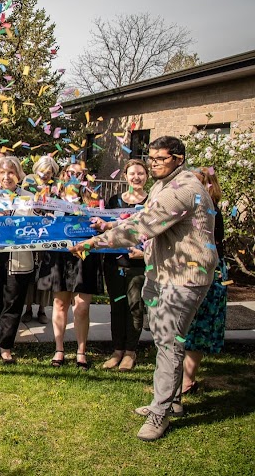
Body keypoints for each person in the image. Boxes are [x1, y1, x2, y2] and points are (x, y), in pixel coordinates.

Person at [71, 136, 217, 441]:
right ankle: (170, 401)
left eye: (160, 159)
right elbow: (141, 215)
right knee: (166, 341)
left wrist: (93, 243)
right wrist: (110, 225)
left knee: (169, 344)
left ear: (179, 158)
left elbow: (142, 227)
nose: (153, 164)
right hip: (162, 273)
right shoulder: (163, 184)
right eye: (151, 158)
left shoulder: (184, 189)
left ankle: (160, 414)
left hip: (184, 277)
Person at [40, 161, 101, 371]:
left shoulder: (92, 200)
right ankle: (59, 349)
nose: (74, 177)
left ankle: (81, 351)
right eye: (70, 172)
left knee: (82, 308)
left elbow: (100, 226)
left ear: (85, 177)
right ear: (64, 175)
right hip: (60, 256)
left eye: (79, 173)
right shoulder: (53, 199)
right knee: (60, 304)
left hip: (85, 256)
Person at [0, 156, 34, 364]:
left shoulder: (29, 198)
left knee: (12, 302)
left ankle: (6, 346)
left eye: (11, 172)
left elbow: (34, 226)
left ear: (18, 175)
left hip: (17, 258)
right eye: (2, 173)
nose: (6, 177)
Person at [182, 167, 227, 395]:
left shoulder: (209, 212)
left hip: (206, 271)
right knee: (186, 325)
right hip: (188, 269)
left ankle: (187, 381)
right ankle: (181, 379)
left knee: (198, 325)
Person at [101, 159, 148, 371]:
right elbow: (107, 228)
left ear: (146, 176)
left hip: (139, 264)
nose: (136, 177)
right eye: (132, 174)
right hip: (113, 263)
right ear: (125, 177)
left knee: (135, 307)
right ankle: (117, 350)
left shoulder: (152, 201)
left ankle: (130, 352)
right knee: (117, 307)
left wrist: (144, 253)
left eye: (140, 173)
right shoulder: (114, 201)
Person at [20, 155, 60, 325]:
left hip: (48, 233)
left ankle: (42, 309)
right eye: (42, 171)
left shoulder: (56, 185)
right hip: (30, 231)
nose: (44, 175)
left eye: (49, 172)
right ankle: (28, 308)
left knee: (45, 270)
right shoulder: (29, 180)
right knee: (30, 269)